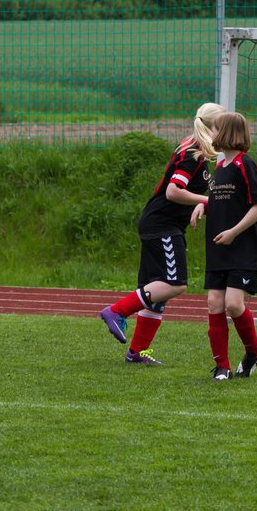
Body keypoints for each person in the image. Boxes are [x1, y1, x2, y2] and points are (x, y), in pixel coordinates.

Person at [98, 102, 226, 365]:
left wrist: (202, 204)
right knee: (174, 283)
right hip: (161, 225)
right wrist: (204, 202)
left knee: (158, 291)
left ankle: (136, 353)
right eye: (222, 128)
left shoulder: (195, 148)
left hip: (162, 224)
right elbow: (173, 191)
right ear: (211, 128)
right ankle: (116, 311)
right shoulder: (192, 154)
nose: (225, 134)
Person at [201, 111, 257, 381]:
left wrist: (233, 232)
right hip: (218, 247)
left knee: (233, 303)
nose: (212, 134)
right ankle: (222, 366)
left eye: (215, 129)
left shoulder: (245, 165)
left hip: (242, 246)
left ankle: (254, 351)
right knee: (214, 302)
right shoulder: (220, 168)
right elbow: (221, 203)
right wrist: (201, 207)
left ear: (228, 133)